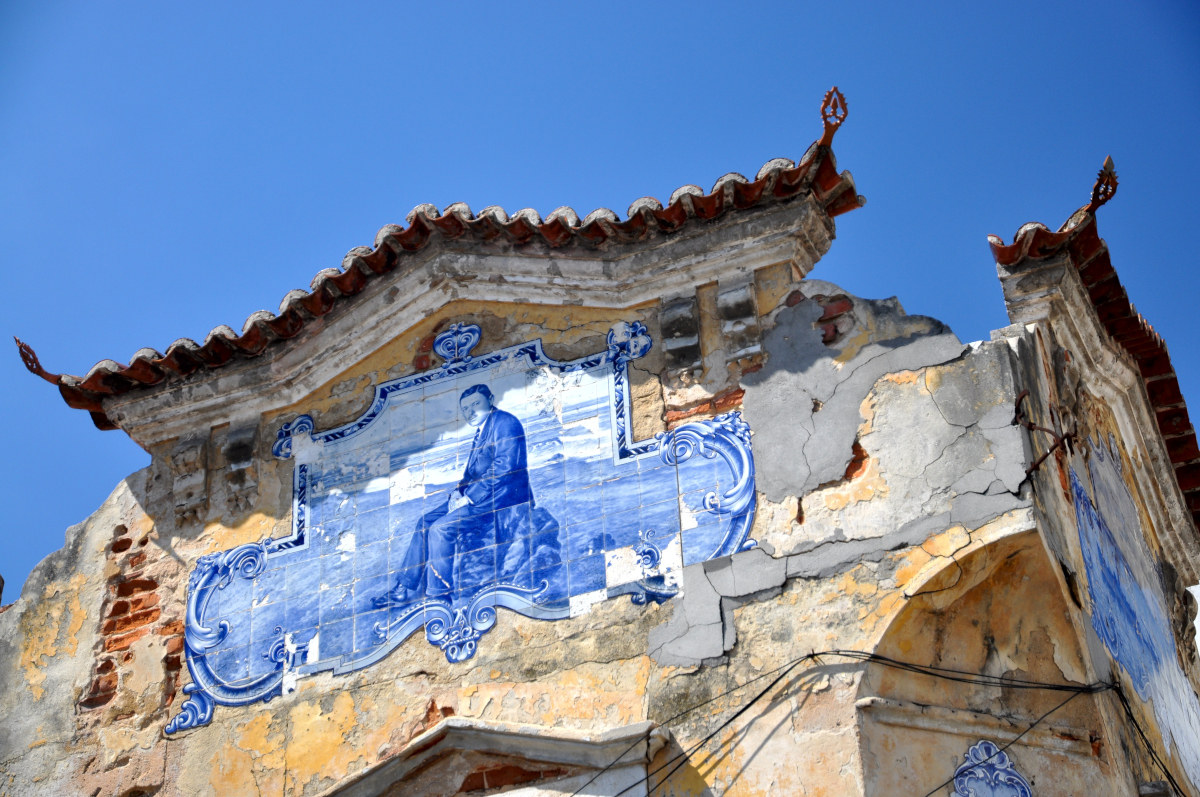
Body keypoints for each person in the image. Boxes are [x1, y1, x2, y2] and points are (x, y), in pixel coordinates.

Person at [376, 384, 533, 607]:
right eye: (466, 408)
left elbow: (505, 467)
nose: (471, 412)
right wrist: (456, 494)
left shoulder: (504, 422)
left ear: (491, 399)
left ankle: (439, 595)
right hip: (482, 495)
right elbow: (471, 474)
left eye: (476, 404)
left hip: (502, 498)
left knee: (440, 529)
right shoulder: (482, 431)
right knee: (424, 523)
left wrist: (468, 498)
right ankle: (403, 588)